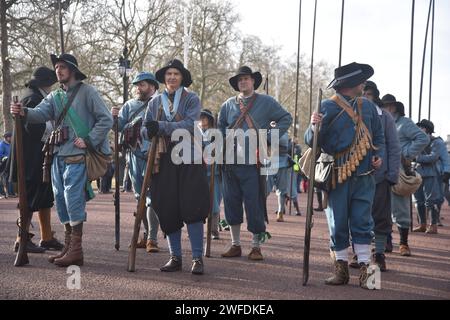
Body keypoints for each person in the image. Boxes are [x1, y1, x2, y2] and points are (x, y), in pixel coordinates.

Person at [10, 53, 113, 267]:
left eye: (63, 67)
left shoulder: (88, 92)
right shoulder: (55, 96)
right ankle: (68, 248)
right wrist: (23, 111)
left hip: (76, 156)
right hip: (57, 155)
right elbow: (39, 114)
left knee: (73, 199)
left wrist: (89, 139)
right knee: (62, 202)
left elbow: (106, 119)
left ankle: (76, 250)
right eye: (57, 67)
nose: (58, 70)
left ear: (73, 70)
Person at [306, 62, 385, 289]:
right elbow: (311, 142)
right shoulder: (326, 106)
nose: (363, 84)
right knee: (337, 223)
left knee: (363, 222)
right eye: (360, 81)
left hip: (365, 174)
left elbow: (378, 137)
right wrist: (313, 127)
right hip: (338, 175)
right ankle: (340, 270)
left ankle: (368, 275)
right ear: (351, 84)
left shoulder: (368, 107)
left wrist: (377, 156)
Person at [143, 59, 210, 275]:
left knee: (193, 206)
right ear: (164, 78)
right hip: (163, 158)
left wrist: (160, 126)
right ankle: (175, 257)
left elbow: (189, 125)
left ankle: (197, 258)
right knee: (167, 206)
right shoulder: (154, 102)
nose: (172, 77)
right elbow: (146, 129)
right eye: (169, 74)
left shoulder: (191, 99)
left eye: (176, 74)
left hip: (189, 156)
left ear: (182, 78)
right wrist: (149, 130)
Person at [219, 66, 292, 261]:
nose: (243, 82)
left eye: (246, 78)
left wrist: (269, 134)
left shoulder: (266, 102)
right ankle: (235, 245)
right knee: (231, 203)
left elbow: (285, 118)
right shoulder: (227, 105)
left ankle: (255, 246)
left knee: (255, 204)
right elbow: (220, 129)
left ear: (253, 81)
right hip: (230, 162)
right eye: (240, 79)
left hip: (255, 163)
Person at [9, 67, 65, 254]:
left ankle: (46, 237)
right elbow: (35, 130)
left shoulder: (35, 97)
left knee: (44, 196)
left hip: (39, 155)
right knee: (30, 197)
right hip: (32, 157)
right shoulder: (33, 99)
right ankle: (21, 237)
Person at [112, 72, 161, 253]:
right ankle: (147, 235)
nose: (138, 88)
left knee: (152, 198)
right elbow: (118, 128)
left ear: (152, 86)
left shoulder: (161, 103)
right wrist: (114, 119)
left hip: (154, 156)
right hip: (133, 156)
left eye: (142, 85)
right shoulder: (129, 105)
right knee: (139, 198)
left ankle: (152, 239)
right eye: (137, 85)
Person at [355, 81, 400, 272]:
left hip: (380, 176)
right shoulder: (351, 113)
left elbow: (394, 147)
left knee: (381, 217)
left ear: (375, 96)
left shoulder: (386, 117)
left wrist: (392, 174)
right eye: (362, 92)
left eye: (369, 94)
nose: (365, 96)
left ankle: (379, 254)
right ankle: (359, 254)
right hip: (355, 174)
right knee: (357, 216)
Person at [382, 94, 429, 256]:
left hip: (399, 170)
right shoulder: (382, 122)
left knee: (400, 207)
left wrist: (405, 154)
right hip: (381, 168)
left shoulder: (404, 123)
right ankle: (386, 242)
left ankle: (404, 243)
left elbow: (423, 138)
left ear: (393, 107)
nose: (383, 108)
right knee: (381, 208)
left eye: (386, 105)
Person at [413, 119, 446, 234]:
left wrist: (417, 157)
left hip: (431, 174)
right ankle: (422, 224)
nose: (418, 129)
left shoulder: (436, 142)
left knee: (431, 200)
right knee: (418, 200)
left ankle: (433, 225)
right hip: (417, 173)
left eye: (420, 127)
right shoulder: (416, 141)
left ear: (426, 129)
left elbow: (433, 157)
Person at [198, 109, 222, 240]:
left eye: (204, 117)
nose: (202, 119)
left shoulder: (217, 133)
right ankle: (198, 230)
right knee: (198, 203)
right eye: (200, 117)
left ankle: (213, 229)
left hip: (215, 173)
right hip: (199, 173)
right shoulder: (196, 133)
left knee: (214, 203)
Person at [0, 132, 13, 198]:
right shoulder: (2, 144)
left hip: (9, 164)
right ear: (7, 137)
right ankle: (3, 193)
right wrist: (7, 157)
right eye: (10, 137)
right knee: (3, 179)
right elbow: (0, 154)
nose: (11, 138)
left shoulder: (10, 144)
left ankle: (10, 193)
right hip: (3, 165)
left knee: (9, 178)